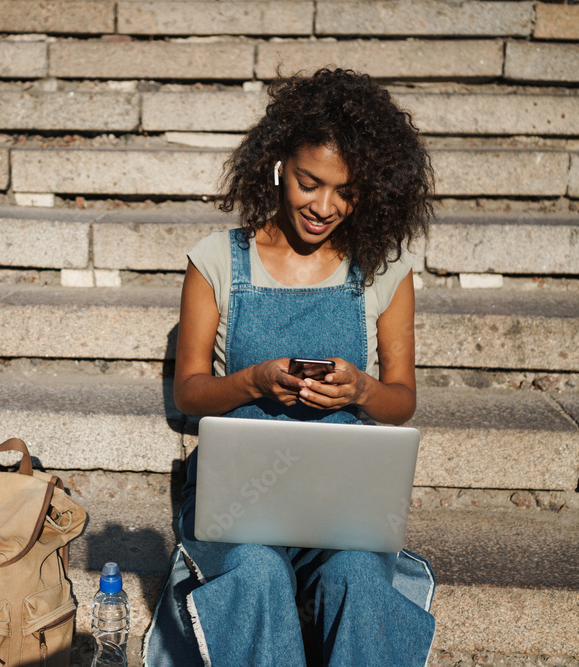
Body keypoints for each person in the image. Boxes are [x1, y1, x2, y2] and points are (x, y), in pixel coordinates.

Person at [144, 67, 437, 666]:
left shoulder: (386, 268)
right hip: (238, 500)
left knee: (357, 574)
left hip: (343, 502)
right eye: (310, 182)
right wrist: (251, 381)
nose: (325, 206)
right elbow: (190, 392)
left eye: (346, 191)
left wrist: (361, 389)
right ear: (279, 164)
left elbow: (402, 399)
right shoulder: (216, 261)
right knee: (254, 572)